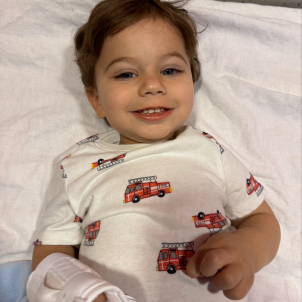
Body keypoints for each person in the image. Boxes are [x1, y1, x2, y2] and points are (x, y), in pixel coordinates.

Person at [27, 0, 281, 301]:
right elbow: (51, 250)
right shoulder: (76, 165)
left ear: (192, 81)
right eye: (126, 74)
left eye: (170, 70)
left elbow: (262, 220)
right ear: (96, 99)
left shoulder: (208, 150)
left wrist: (248, 251)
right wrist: (79, 291)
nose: (151, 85)